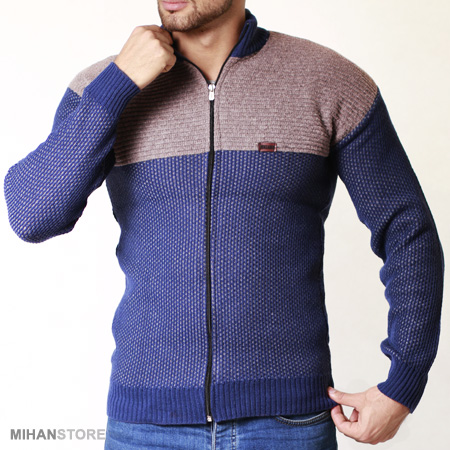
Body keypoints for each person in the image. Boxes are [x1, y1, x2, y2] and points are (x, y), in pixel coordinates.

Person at [4, 0, 444, 449]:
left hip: (286, 425)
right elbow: (32, 215)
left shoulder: (327, 80)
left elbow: (407, 228)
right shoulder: (103, 87)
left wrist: (403, 382)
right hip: (145, 428)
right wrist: (118, 85)